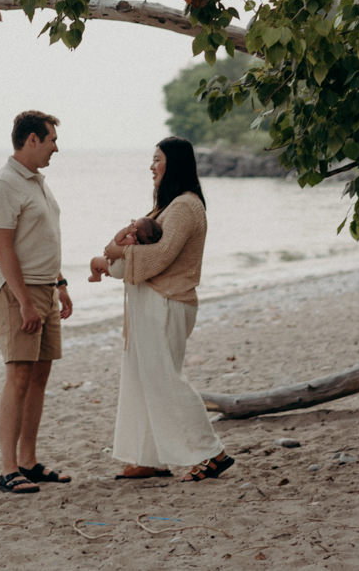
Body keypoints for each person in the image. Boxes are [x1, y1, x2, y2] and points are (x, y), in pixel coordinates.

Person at [102, 136, 234, 483]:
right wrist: (113, 258)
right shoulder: (165, 208)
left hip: (167, 302)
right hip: (148, 304)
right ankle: (150, 457)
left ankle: (212, 453)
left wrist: (114, 256)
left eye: (157, 159)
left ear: (174, 163)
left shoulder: (186, 207)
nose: (152, 165)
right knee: (142, 379)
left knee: (165, 380)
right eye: (152, 158)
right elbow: (126, 252)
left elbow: (159, 257)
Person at [0, 110, 73, 495]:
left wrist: (61, 283)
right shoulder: (3, 184)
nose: (56, 147)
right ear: (32, 139)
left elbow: (44, 237)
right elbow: (2, 248)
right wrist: (24, 302)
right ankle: (8, 469)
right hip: (15, 291)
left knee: (39, 376)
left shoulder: (38, 183)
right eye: (52, 139)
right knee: (18, 375)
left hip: (45, 288)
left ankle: (29, 462)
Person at [89, 216, 162, 280]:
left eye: (134, 224)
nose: (132, 223)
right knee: (105, 265)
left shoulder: (130, 240)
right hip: (123, 270)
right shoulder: (140, 245)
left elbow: (117, 239)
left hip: (116, 268)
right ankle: (107, 270)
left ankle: (96, 277)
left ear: (135, 234)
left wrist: (126, 230)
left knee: (94, 261)